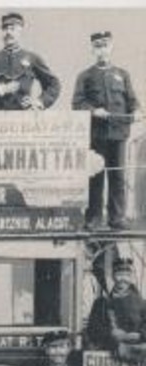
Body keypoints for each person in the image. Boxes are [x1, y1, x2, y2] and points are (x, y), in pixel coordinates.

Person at [72, 31, 138, 230]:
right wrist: (94, 111)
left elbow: (132, 101)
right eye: (97, 46)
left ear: (111, 47)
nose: (101, 50)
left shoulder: (122, 74)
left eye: (105, 45)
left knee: (117, 177)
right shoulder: (85, 76)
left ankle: (117, 218)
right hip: (96, 136)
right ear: (92, 49)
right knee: (96, 177)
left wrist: (136, 111)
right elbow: (77, 103)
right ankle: (93, 219)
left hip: (118, 134)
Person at [0, 12, 61, 111]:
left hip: (24, 118)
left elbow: (54, 84)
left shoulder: (32, 58)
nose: (8, 33)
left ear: (20, 31)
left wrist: (40, 102)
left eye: (12, 29)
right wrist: (1, 89)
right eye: (5, 29)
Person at [83, 258, 146, 360]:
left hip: (139, 356)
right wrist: (111, 334)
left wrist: (138, 336)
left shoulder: (143, 304)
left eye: (127, 275)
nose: (123, 279)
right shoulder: (101, 303)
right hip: (108, 357)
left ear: (132, 277)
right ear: (113, 276)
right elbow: (92, 329)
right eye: (119, 274)